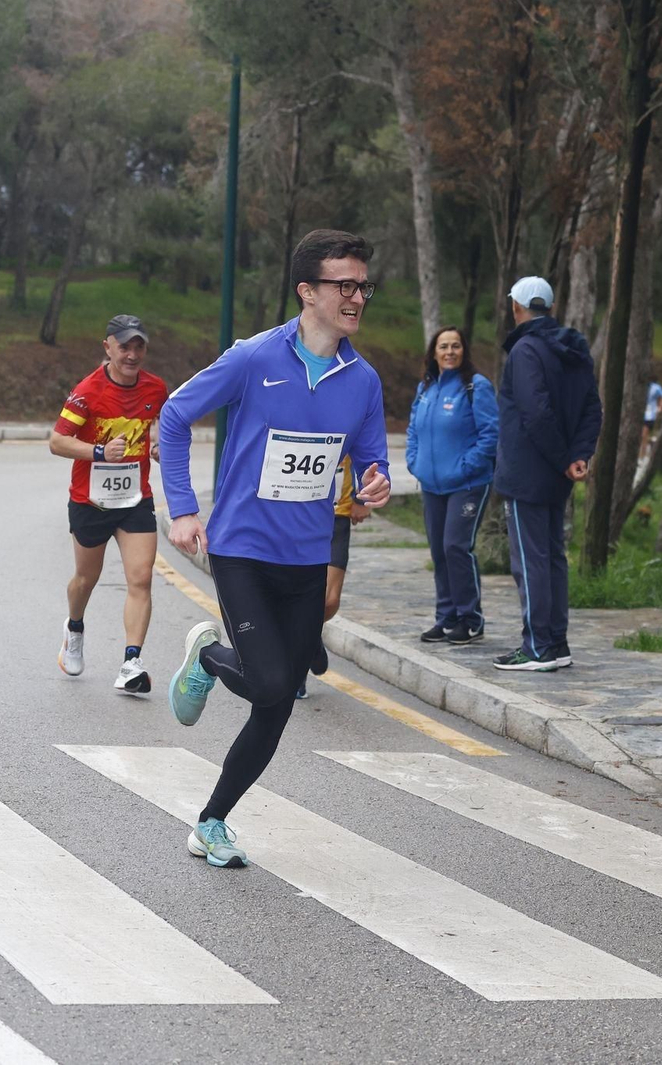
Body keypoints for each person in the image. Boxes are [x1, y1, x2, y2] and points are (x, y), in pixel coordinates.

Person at [160, 229, 391, 868]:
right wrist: (182, 510)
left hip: (307, 558)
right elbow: (175, 417)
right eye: (343, 284)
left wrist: (376, 486)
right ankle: (208, 658)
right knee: (265, 681)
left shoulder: (362, 379)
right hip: (242, 550)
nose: (356, 296)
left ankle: (211, 822)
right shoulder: (255, 359)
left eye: (362, 285)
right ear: (307, 291)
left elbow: (373, 464)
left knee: (279, 701)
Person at [49, 314, 168, 695]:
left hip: (135, 499)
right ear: (108, 348)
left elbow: (159, 420)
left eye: (139, 347)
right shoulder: (88, 391)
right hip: (91, 500)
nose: (132, 354)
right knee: (87, 578)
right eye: (124, 347)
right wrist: (99, 450)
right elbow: (57, 441)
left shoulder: (155, 388)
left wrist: (157, 442)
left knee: (141, 577)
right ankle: (75, 627)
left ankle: (131, 662)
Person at [492, 276, 601, 673]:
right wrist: (578, 457)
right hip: (558, 475)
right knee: (553, 557)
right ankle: (556, 642)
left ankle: (538, 646)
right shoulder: (572, 349)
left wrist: (562, 458)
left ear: (517, 308)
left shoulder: (525, 350)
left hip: (527, 473)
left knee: (532, 560)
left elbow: (535, 413)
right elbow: (593, 408)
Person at [405, 325, 499, 644]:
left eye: (455, 346)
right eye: (443, 346)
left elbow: (490, 435)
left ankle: (470, 619)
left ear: (464, 350)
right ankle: (446, 618)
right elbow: (413, 431)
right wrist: (414, 461)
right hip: (432, 485)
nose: (449, 352)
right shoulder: (426, 388)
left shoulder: (476, 387)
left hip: (468, 484)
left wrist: (465, 466)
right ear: (434, 352)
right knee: (439, 551)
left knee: (455, 547)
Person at [296, 457, 371, 699]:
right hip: (298, 512)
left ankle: (311, 634)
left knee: (328, 601)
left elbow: (367, 451)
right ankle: (297, 672)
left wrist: (362, 497)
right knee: (294, 595)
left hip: (338, 514)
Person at [640, 379, 662, 460]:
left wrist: (660, 408)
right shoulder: (639, 385)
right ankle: (642, 454)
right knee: (644, 436)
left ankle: (642, 455)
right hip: (640, 414)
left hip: (650, 414)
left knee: (644, 435)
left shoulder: (655, 388)